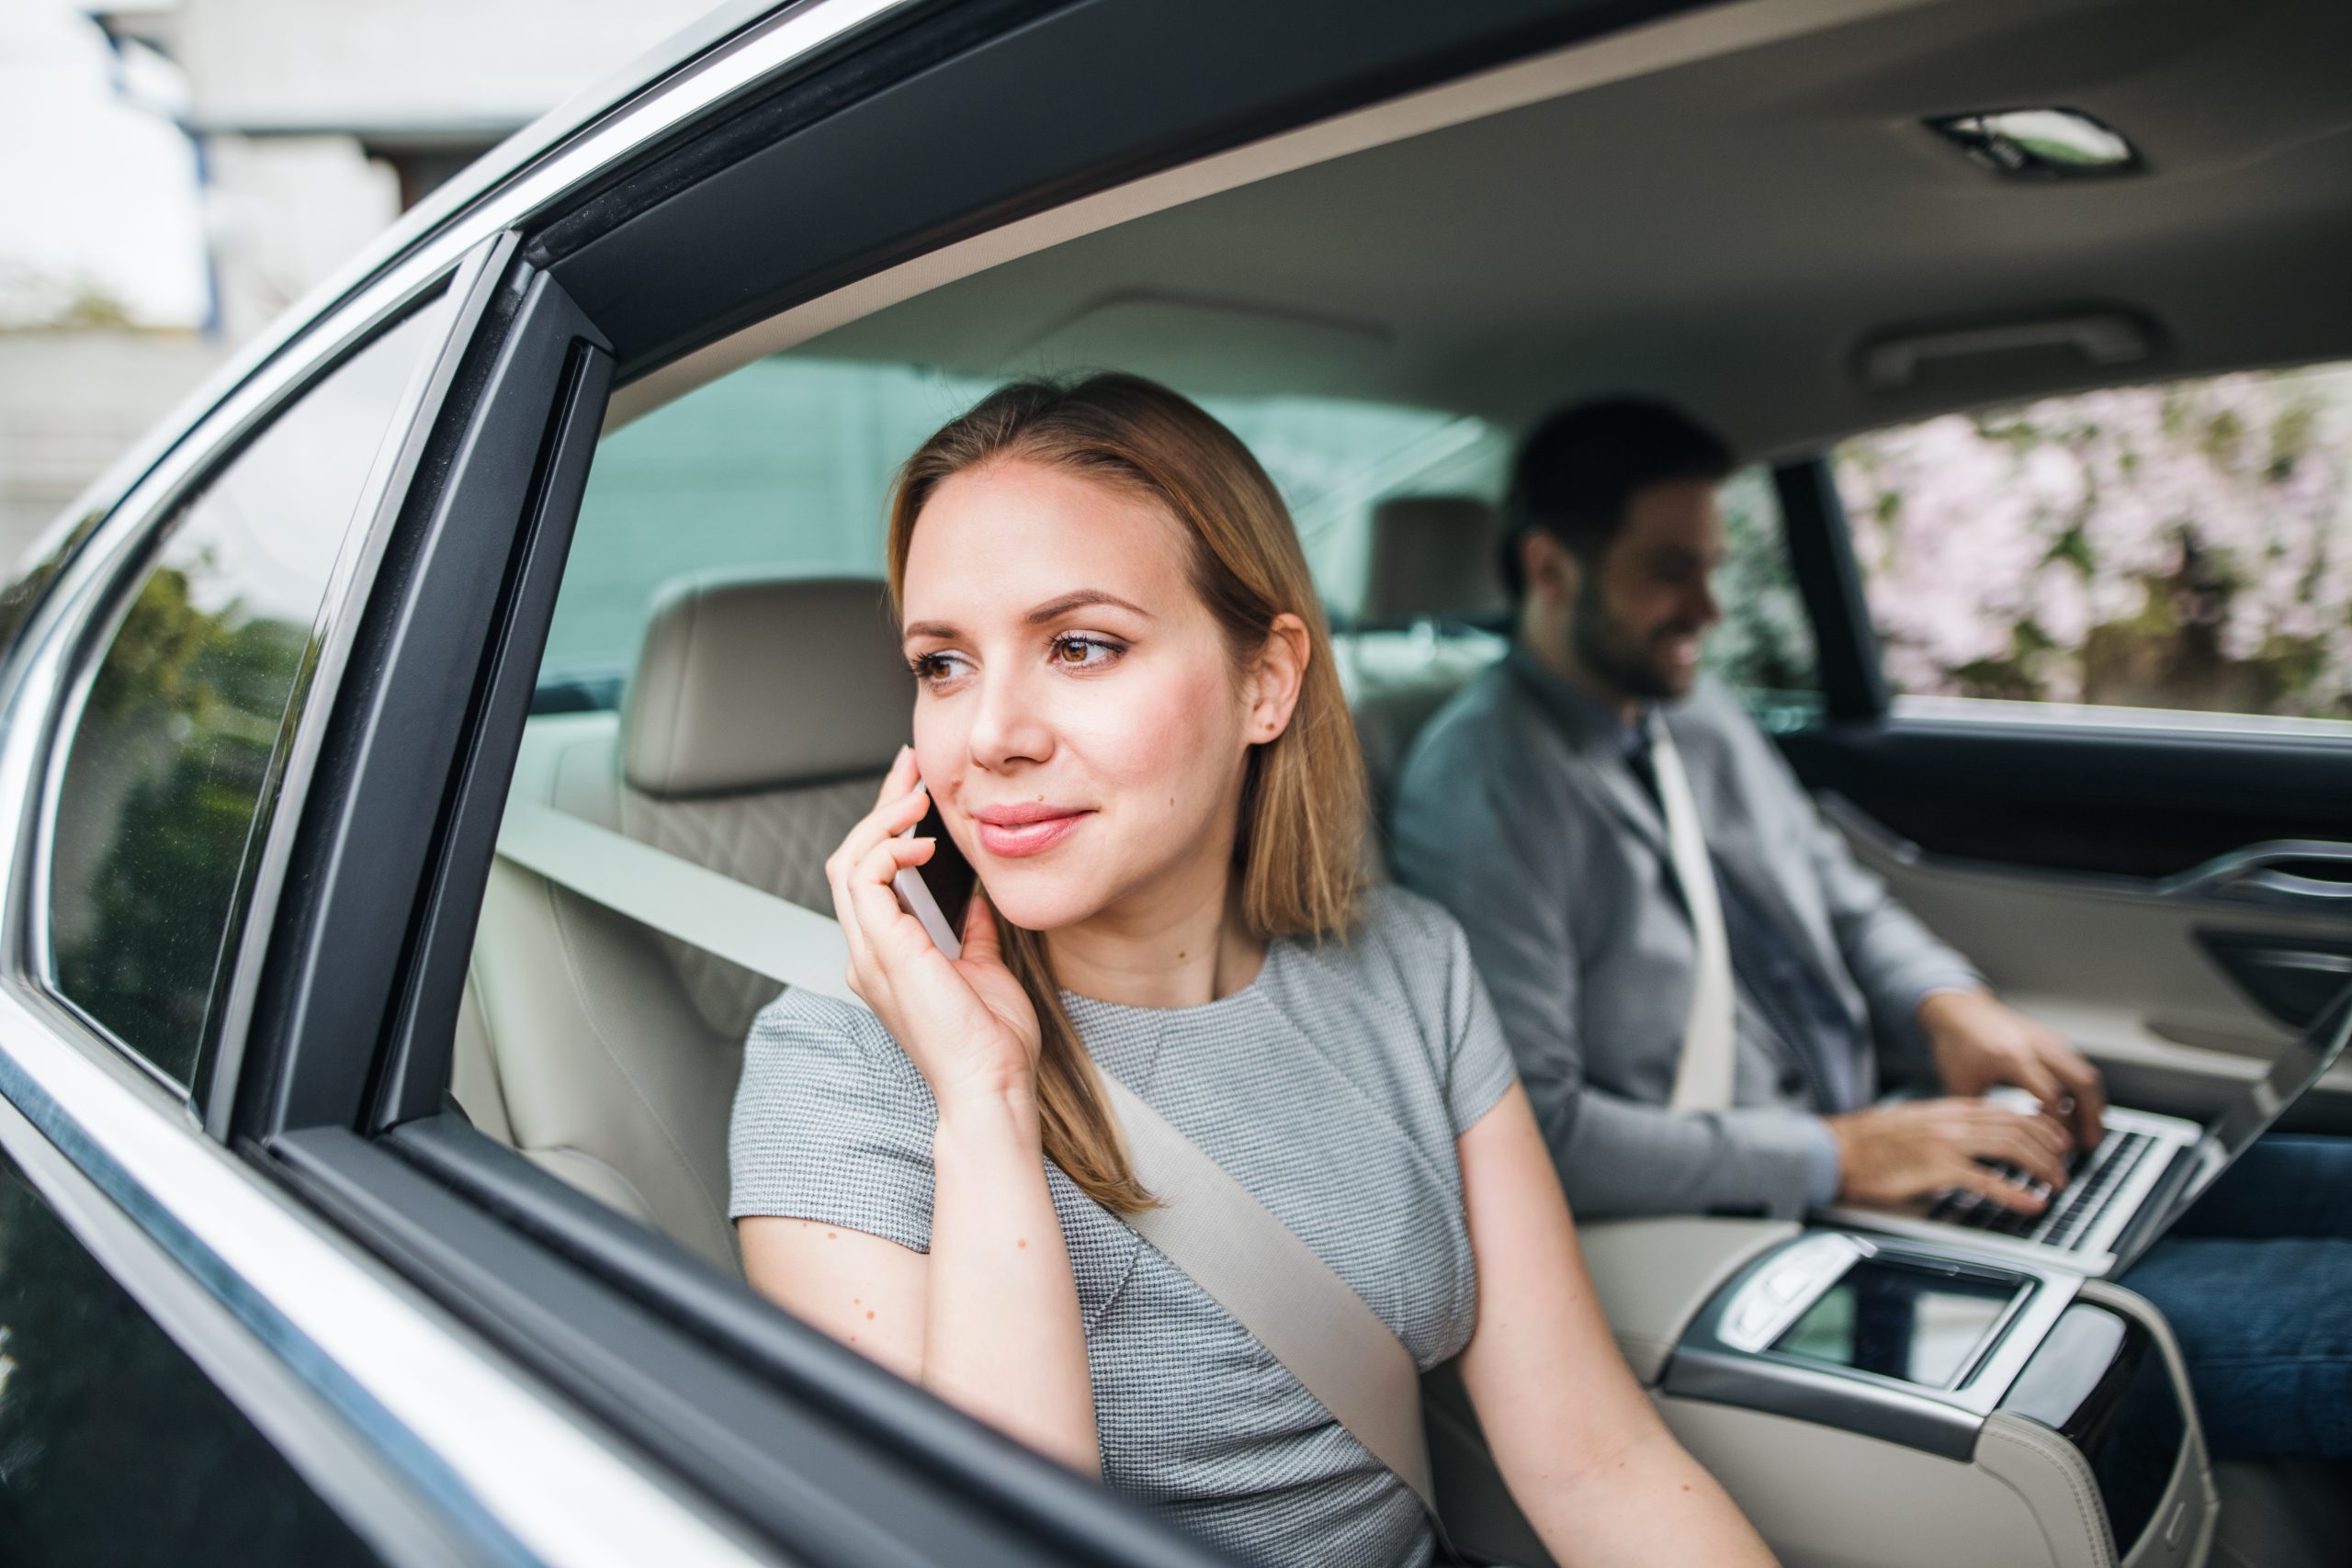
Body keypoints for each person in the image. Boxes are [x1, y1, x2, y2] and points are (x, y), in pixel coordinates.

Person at [727, 376, 1775, 1567]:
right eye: (943, 663)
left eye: (1079, 645)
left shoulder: (1408, 964)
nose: (989, 735)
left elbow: (1598, 1459)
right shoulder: (840, 1062)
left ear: (1266, 681)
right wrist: (984, 1101)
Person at [1387, 397, 2352, 1463]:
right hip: (1773, 1229)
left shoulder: (1685, 714)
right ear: (1549, 567)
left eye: (1711, 567)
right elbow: (1542, 1140)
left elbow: (1835, 895)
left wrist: (1948, 1005)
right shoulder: (1483, 789)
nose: (1707, 609)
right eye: (1671, 571)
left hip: (1893, 1149)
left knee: (2310, 1177)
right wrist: (1834, 1156)